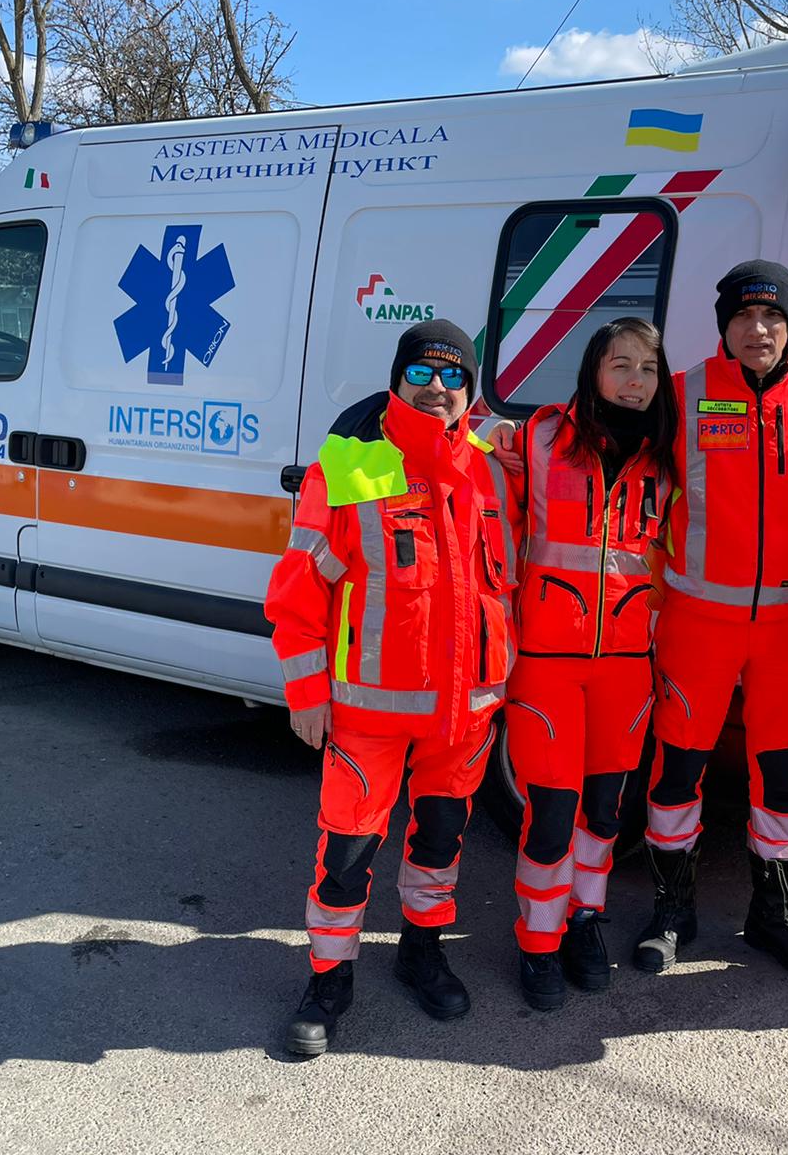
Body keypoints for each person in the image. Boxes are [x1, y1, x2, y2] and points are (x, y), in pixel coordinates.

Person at [265, 319, 517, 1057]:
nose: (436, 388)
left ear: (470, 391)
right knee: (346, 856)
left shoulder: (494, 466)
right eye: (421, 373)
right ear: (397, 379)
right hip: (366, 712)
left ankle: (422, 952)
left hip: (465, 713)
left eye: (453, 377)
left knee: (439, 844)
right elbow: (296, 592)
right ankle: (328, 979)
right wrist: (307, 695)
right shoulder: (349, 465)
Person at [636, 259, 788, 982]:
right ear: (722, 324)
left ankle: (773, 912)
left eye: (771, 317)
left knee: (780, 776)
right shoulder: (683, 392)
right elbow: (625, 471)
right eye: (741, 317)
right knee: (678, 769)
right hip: (697, 621)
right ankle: (672, 907)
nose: (756, 329)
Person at [495, 317, 679, 1011]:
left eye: (648, 369)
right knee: (550, 814)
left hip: (627, 666)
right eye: (620, 365)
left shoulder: (667, 458)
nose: (634, 382)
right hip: (547, 664)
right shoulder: (539, 438)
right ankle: (537, 945)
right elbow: (459, 448)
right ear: (593, 372)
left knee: (604, 814)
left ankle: (583, 922)